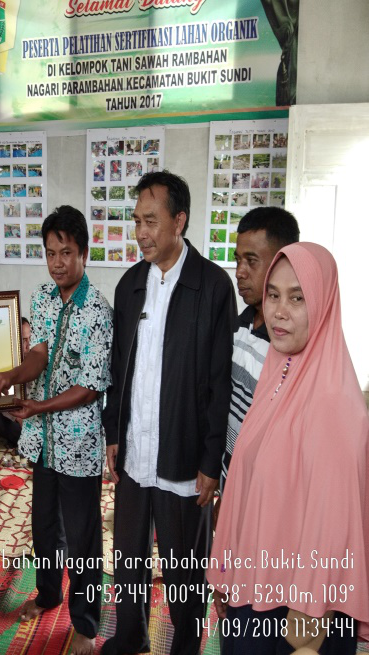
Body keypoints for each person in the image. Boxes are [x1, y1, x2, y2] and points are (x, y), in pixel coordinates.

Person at [208, 243, 368, 653]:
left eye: (298, 298)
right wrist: (228, 571)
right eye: (274, 295)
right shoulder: (280, 371)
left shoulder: (333, 400)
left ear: (324, 304)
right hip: (257, 584)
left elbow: (333, 525)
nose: (279, 311)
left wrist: (308, 623)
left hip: (297, 615)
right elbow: (247, 482)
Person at [102, 171, 236, 655]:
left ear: (179, 220)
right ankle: (130, 633)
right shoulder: (130, 285)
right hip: (136, 452)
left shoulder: (213, 287)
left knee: (183, 564)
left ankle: (185, 642)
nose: (141, 232)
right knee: (128, 554)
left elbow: (220, 383)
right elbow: (119, 368)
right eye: (137, 221)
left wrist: (210, 461)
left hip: (183, 456)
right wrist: (112, 433)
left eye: (151, 221)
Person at [0, 206, 113, 655]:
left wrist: (40, 404)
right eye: (50, 253)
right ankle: (47, 594)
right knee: (44, 527)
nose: (58, 262)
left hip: (78, 443)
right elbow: (39, 354)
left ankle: (85, 622)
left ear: (84, 253)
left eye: (66, 252)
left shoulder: (99, 311)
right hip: (41, 441)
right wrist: (10, 376)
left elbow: (89, 386)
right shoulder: (42, 298)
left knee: (82, 535)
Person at [220, 206, 300, 492]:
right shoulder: (239, 325)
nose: (239, 272)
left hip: (262, 491)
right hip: (231, 481)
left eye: (251, 261)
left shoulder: (290, 343)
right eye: (238, 260)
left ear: (282, 263)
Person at [0, 317, 30, 447]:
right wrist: (17, 418)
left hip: (33, 414)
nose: (29, 345)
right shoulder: (4, 362)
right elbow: (3, 401)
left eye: (30, 338)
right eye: (24, 340)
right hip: (13, 415)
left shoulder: (37, 361)